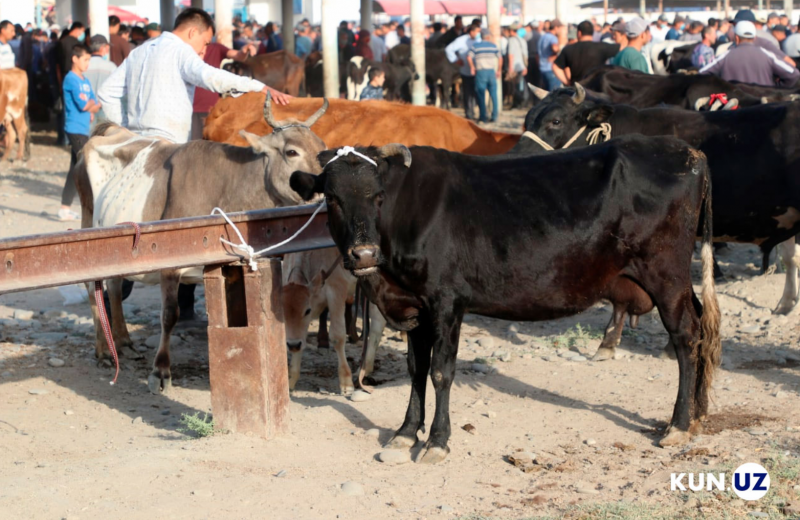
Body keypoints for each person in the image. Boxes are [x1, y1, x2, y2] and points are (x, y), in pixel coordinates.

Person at [98, 7, 291, 145]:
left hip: (135, 143)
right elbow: (211, 77)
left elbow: (106, 92)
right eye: (206, 42)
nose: (204, 50)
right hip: (166, 147)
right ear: (192, 32)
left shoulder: (140, 51)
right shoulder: (181, 51)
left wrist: (125, 130)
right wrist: (260, 87)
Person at [59, 44, 101, 221]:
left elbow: (94, 103)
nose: (87, 64)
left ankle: (65, 208)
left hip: (83, 129)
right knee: (85, 166)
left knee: (74, 168)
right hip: (74, 129)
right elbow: (86, 105)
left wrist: (92, 106)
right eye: (85, 60)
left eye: (89, 60)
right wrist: (93, 105)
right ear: (74, 59)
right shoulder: (71, 79)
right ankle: (92, 207)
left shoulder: (84, 80)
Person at [701, 21, 799, 86]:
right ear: (754, 38)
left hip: (733, 111)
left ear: (736, 38)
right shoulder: (766, 54)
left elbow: (702, 73)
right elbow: (793, 74)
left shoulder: (725, 56)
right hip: (763, 109)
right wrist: (776, 88)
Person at [191, 40, 255, 140]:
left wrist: (243, 51)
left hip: (212, 110)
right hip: (191, 110)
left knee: (212, 146)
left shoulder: (216, 48)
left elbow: (238, 55)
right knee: (193, 147)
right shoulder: (183, 49)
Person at [553, 20, 619, 85]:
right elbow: (621, 48)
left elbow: (555, 66)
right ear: (592, 33)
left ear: (579, 33)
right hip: (596, 89)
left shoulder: (569, 49)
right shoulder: (602, 47)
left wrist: (567, 82)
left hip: (577, 89)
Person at [445, 23, 481, 119]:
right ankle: (468, 113)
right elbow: (449, 49)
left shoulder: (479, 40)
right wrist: (456, 60)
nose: (478, 34)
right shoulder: (461, 40)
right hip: (466, 70)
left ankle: (474, 111)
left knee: (476, 92)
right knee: (467, 92)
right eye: (477, 32)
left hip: (479, 71)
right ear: (472, 32)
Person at [468, 29, 501, 123]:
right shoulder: (493, 46)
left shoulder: (475, 46)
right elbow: (500, 58)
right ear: (488, 36)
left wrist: (472, 67)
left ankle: (483, 117)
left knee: (481, 95)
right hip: (491, 71)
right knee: (493, 95)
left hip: (481, 72)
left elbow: (469, 57)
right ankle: (494, 116)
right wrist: (498, 70)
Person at [84, 34, 116, 130]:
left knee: (87, 139)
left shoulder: (84, 65)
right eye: (107, 47)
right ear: (102, 48)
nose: (108, 49)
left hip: (87, 107)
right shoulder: (111, 67)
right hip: (104, 108)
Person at [538, 18, 564, 91]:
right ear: (556, 28)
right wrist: (560, 50)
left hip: (543, 69)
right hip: (551, 70)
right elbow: (554, 48)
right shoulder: (553, 38)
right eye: (560, 28)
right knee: (554, 95)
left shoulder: (542, 37)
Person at [505, 22, 528, 107]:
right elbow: (525, 55)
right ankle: (521, 102)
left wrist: (510, 68)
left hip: (514, 67)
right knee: (520, 86)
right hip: (521, 66)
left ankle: (517, 103)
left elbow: (511, 55)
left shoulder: (511, 40)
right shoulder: (522, 40)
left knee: (514, 87)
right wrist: (525, 67)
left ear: (511, 31)